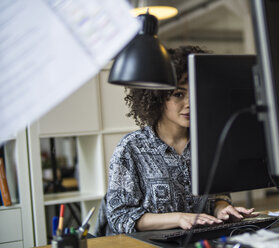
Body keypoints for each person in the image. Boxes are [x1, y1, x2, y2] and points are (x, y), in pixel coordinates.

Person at [96, 45, 258, 236]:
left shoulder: (209, 142)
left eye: (196, 93)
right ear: (157, 97)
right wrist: (179, 218)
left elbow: (216, 196)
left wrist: (220, 208)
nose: (190, 103)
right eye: (178, 94)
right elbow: (120, 217)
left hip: (198, 240)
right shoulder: (131, 148)